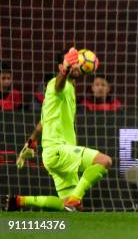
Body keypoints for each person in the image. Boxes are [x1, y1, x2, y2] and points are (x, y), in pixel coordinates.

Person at [4, 47, 112, 212]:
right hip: (58, 150)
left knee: (69, 205)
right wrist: (66, 69)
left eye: (76, 62)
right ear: (61, 66)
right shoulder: (57, 83)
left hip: (53, 154)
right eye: (71, 62)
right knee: (104, 161)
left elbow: (43, 121)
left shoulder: (69, 89)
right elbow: (59, 85)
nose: (76, 65)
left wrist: (31, 142)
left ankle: (19, 201)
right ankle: (74, 199)